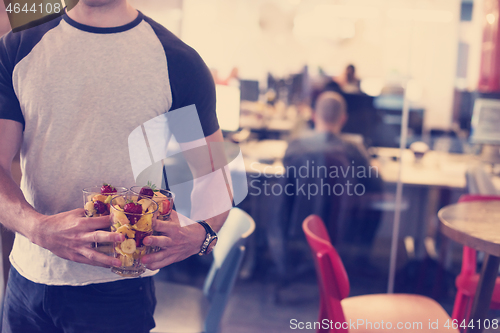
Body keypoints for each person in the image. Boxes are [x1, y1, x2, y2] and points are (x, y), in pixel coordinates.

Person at [0, 1, 229, 332]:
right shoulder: (18, 47)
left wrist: (201, 234)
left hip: (120, 290)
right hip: (27, 281)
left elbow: (215, 181)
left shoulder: (177, 61)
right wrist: (40, 229)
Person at [283, 91, 383, 268]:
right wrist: (376, 167)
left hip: (299, 227)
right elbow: (374, 183)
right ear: (343, 119)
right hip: (340, 228)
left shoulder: (295, 146)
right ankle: (361, 260)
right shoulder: (354, 149)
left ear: (313, 116)